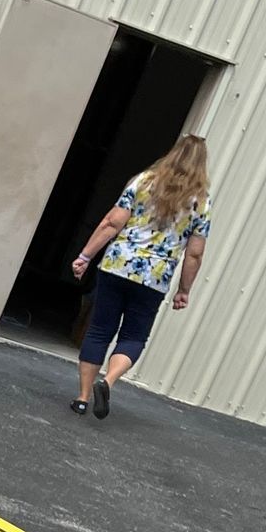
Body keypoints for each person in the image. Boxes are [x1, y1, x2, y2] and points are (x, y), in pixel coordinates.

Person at [68, 134, 211, 417]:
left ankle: (83, 398)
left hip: (118, 266)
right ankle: (107, 381)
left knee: (99, 329)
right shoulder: (201, 202)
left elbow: (112, 222)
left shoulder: (144, 181)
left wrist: (85, 256)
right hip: (154, 278)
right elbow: (194, 253)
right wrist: (184, 290)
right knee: (134, 335)